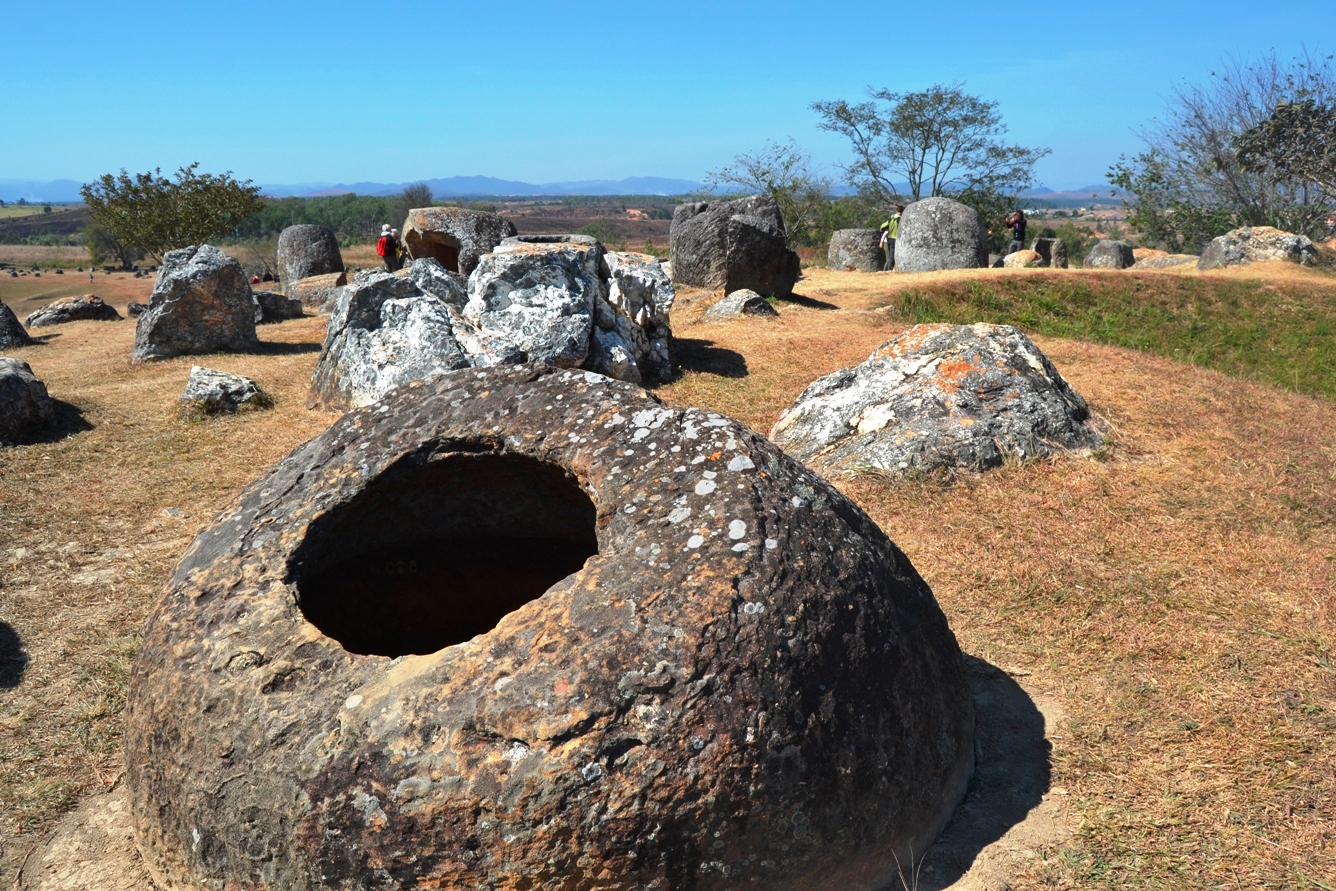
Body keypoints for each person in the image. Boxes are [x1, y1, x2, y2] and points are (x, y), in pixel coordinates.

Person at [878, 205, 904, 271]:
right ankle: (889, 270)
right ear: (902, 211)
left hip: (890, 239)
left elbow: (882, 227)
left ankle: (889, 269)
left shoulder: (891, 219)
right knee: (893, 257)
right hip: (897, 239)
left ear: (896, 210)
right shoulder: (901, 219)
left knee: (891, 256)